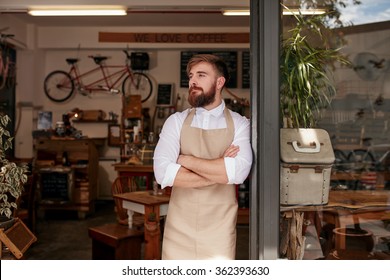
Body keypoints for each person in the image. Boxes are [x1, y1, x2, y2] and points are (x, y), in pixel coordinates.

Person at [153, 54, 253, 260]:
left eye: (201, 75)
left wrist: (185, 160)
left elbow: (238, 173)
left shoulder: (241, 124)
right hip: (178, 228)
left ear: (219, 82)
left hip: (220, 229)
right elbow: (163, 174)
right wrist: (220, 170)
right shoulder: (176, 121)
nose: (192, 81)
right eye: (191, 76)